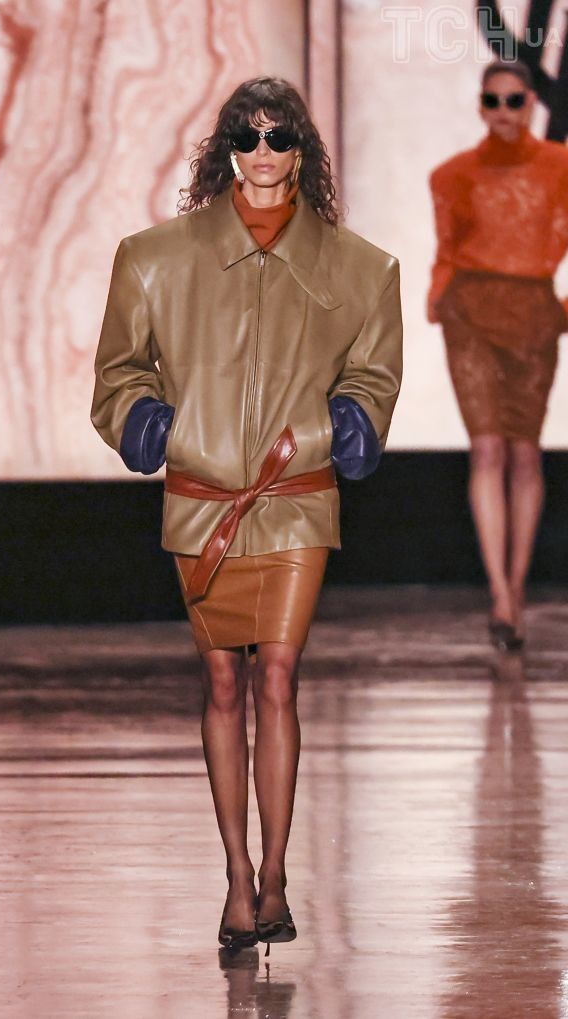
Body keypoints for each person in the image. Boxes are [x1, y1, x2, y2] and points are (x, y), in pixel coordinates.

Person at [91, 77, 402, 951]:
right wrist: (162, 428)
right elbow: (119, 374)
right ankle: (235, 875)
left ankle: (276, 873)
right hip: (202, 499)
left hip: (295, 495)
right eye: (247, 135)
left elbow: (372, 373)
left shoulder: (362, 267)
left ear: (303, 148)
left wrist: (345, 424)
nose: (263, 152)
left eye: (279, 135)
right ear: (226, 148)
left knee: (278, 675)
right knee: (223, 681)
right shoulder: (153, 258)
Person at [428, 60, 568, 652]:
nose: (505, 111)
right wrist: (439, 297)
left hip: (534, 312)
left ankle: (517, 586)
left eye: (515, 100)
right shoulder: (452, 175)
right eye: (494, 100)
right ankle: (501, 596)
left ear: (532, 103)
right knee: (487, 449)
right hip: (471, 314)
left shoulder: (561, 168)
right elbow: (447, 249)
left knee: (525, 454)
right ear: (481, 106)